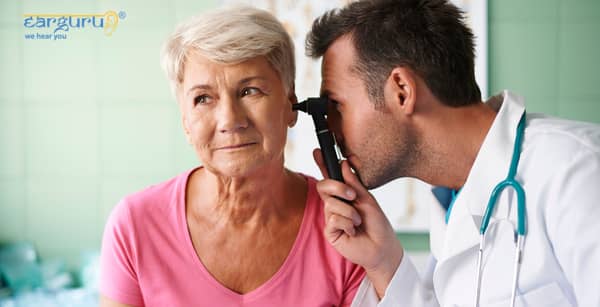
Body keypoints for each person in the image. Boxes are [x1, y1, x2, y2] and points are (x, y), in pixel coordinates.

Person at [304, 0, 600, 306]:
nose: (331, 128)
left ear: (402, 91)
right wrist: (383, 262)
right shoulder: (454, 208)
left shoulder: (577, 171)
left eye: (336, 106)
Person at [99, 6, 365, 307]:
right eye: (203, 98)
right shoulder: (134, 226)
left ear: (290, 104)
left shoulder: (343, 227)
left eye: (250, 91)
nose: (229, 120)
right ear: (186, 122)